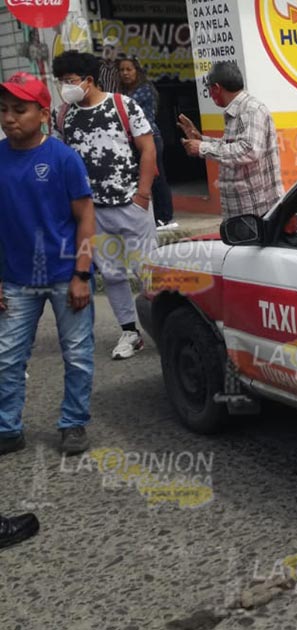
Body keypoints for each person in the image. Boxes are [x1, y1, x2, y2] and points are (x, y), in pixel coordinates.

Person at [0, 72, 97, 456]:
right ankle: (7, 428)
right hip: (15, 279)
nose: (9, 118)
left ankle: (73, 423)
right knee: (6, 358)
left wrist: (82, 274)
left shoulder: (63, 159)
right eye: (3, 110)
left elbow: (85, 218)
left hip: (65, 275)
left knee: (78, 356)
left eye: (19, 110)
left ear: (42, 114)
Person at [52, 50, 158, 361]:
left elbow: (148, 148)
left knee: (147, 271)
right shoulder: (63, 115)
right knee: (111, 273)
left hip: (131, 205)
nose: (65, 87)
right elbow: (60, 158)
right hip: (91, 212)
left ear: (88, 80)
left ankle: (164, 326)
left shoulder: (123, 105)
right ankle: (130, 332)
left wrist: (142, 196)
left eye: (69, 80)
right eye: (61, 81)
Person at [179, 61, 284, 218]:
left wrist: (202, 148)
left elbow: (248, 150)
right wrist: (201, 140)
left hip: (255, 210)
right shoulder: (239, 110)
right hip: (243, 209)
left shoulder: (250, 110)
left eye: (209, 88)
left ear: (216, 88)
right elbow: (232, 145)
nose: (210, 94)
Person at [117, 55, 177, 230]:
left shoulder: (144, 90)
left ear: (137, 71)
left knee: (156, 177)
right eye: (122, 70)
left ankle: (165, 217)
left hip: (150, 138)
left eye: (129, 69)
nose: (125, 73)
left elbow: (125, 110)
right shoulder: (123, 93)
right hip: (132, 140)